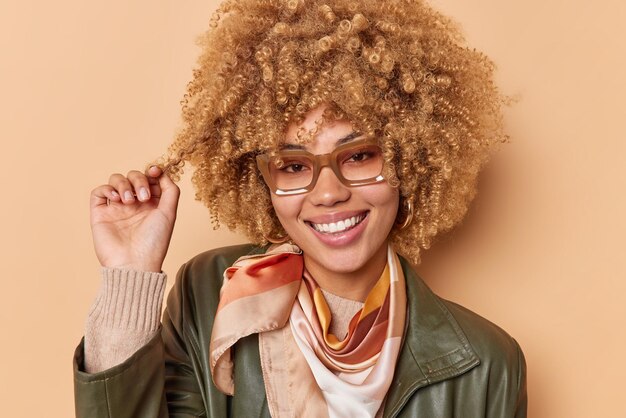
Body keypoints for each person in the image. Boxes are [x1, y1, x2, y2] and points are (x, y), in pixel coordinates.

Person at [73, 0, 527, 416]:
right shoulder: (209, 294)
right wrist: (128, 276)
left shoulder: (487, 366)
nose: (327, 192)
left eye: (359, 155)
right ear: (262, 183)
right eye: (292, 165)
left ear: (411, 160)